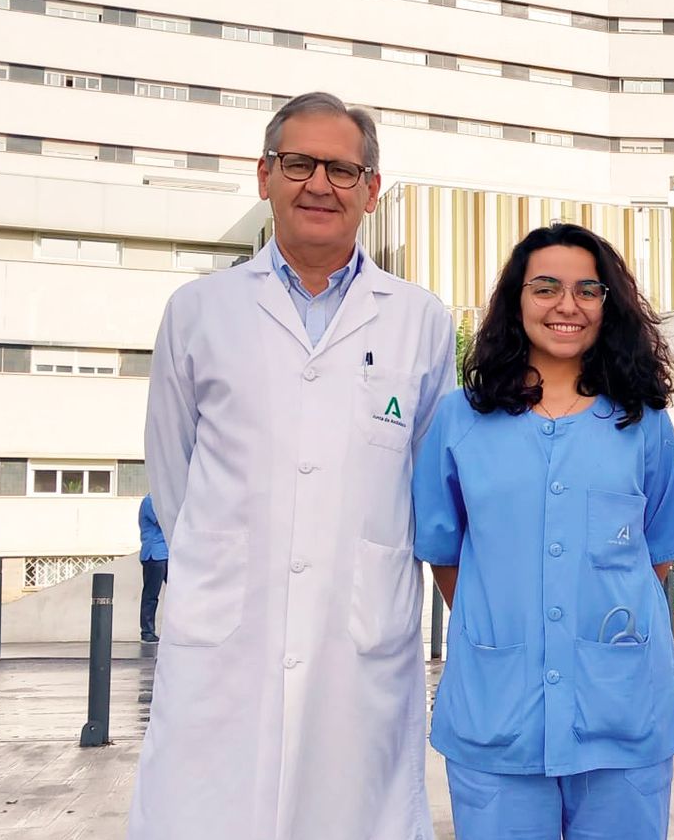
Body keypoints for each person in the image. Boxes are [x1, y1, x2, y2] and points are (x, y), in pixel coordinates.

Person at [129, 92, 456, 840]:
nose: (320, 184)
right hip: (227, 629)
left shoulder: (419, 319)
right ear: (264, 175)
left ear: (371, 190)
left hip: (359, 631)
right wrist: (223, 562)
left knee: (352, 808)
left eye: (343, 169)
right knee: (206, 809)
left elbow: (427, 478)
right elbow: (173, 472)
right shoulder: (198, 310)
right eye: (299, 162)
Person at [413, 223, 674, 840]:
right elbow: (446, 553)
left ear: (607, 304)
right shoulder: (462, 418)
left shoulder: (642, 420)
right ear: (516, 300)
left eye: (586, 290)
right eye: (545, 287)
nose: (566, 305)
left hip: (621, 707)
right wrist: (509, 626)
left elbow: (656, 556)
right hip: (498, 712)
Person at [137, 493, 167, 643]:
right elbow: (163, 520)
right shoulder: (150, 501)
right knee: (151, 595)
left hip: (166, 553)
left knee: (180, 592)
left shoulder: (161, 500)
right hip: (154, 554)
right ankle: (147, 632)